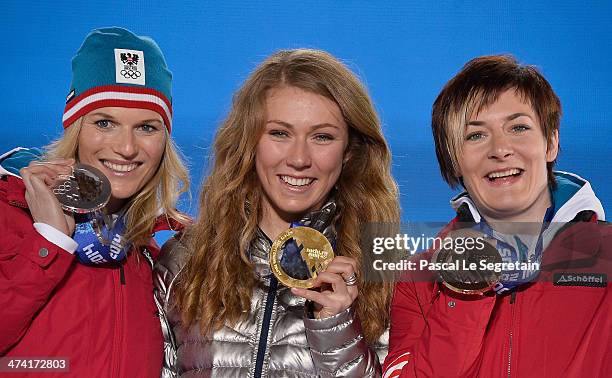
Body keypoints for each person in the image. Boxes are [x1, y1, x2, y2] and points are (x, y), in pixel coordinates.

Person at [155, 49, 400, 377]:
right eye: (280, 133)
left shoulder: (385, 272)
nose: (299, 158)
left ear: (349, 152)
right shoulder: (185, 260)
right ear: (249, 142)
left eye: (322, 137)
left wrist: (336, 329)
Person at [383, 55, 611, 377]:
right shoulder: (418, 278)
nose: (500, 149)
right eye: (475, 135)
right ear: (453, 160)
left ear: (551, 143)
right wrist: (465, 286)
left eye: (518, 127)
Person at [0, 27, 189, 377]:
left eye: (146, 127)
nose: (127, 148)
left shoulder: (151, 255)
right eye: (105, 122)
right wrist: (48, 242)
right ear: (75, 127)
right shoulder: (8, 210)